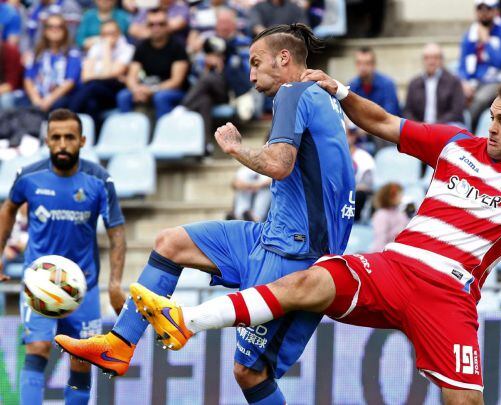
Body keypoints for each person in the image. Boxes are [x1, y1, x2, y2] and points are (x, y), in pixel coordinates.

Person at [130, 75, 501, 405]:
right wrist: (339, 90)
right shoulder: (453, 143)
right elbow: (382, 123)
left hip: (448, 298)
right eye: (491, 117)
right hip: (395, 267)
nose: (492, 128)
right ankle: (186, 320)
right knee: (304, 282)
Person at [56, 24, 355, 405]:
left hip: (295, 254)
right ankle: (118, 345)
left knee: (249, 372)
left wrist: (234, 148)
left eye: (255, 63)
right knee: (171, 243)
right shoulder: (324, 95)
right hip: (272, 234)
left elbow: (280, 165)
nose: (250, 74)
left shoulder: (293, 93)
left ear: (284, 58)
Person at [0, 109, 126, 405]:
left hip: (85, 286)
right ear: (47, 141)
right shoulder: (29, 177)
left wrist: (115, 284)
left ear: (82, 140)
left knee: (81, 358)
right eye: (56, 137)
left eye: (69, 137)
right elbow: (7, 209)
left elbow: (116, 231)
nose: (62, 144)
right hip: (39, 283)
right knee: (38, 347)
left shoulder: (99, 180)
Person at [183, 8, 252, 137]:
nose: (224, 26)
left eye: (227, 22)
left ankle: (183, 107)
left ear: (235, 24)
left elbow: (247, 75)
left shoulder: (244, 43)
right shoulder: (208, 43)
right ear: (216, 25)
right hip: (209, 92)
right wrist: (206, 65)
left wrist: (222, 67)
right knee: (204, 101)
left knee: (209, 78)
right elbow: (194, 74)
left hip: (233, 92)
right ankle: (205, 147)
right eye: (221, 22)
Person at [117, 8, 189, 118]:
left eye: (161, 24)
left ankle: (165, 133)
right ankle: (128, 132)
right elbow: (132, 76)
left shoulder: (177, 46)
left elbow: (176, 82)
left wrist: (151, 90)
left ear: (167, 25)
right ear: (147, 26)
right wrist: (136, 89)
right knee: (123, 96)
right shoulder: (141, 47)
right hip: (147, 88)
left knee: (160, 97)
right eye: (151, 24)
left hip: (174, 91)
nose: (156, 28)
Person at [458, 0, 501, 130]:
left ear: (496, 10)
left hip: (500, 80)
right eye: (480, 9)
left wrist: (486, 41)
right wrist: (464, 82)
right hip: (475, 80)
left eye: (488, 9)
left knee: (479, 99)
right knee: (454, 93)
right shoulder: (470, 34)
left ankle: (466, 132)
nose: (484, 13)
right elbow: (462, 64)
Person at [68, 19, 134, 120]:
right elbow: (85, 77)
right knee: (91, 104)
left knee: (92, 86)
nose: (109, 37)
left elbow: (109, 75)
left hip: (113, 91)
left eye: (112, 33)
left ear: (119, 33)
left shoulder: (128, 49)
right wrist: (104, 75)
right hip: (93, 90)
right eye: (105, 34)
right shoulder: (96, 47)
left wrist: (107, 49)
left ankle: (68, 118)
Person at [23, 14, 81, 113]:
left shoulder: (72, 54)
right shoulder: (36, 53)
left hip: (59, 98)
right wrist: (36, 100)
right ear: (45, 30)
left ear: (65, 31)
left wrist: (48, 100)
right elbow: (28, 79)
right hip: (37, 96)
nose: (55, 30)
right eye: (50, 27)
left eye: (59, 27)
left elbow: (69, 82)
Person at [403, 43, 465, 126]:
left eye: (435, 57)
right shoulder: (414, 83)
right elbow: (408, 111)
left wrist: (434, 126)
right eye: (427, 58)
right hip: (419, 127)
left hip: (446, 126)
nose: (431, 61)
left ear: (442, 60)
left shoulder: (454, 81)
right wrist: (419, 126)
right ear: (423, 60)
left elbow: (456, 112)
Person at [348, 47, 400, 116]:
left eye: (367, 63)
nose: (362, 67)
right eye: (359, 63)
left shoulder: (387, 85)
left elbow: (390, 115)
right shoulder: (352, 86)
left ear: (374, 65)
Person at [347, 121, 375, 221]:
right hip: (333, 198)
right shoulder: (329, 156)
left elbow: (367, 186)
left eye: (351, 133)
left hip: (354, 200)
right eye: (344, 132)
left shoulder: (364, 157)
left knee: (359, 195)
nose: (348, 136)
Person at [370, 182, 410, 252]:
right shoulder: (381, 215)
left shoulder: (401, 214)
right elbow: (380, 239)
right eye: (399, 194)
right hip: (384, 253)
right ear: (391, 196)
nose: (401, 197)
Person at [0, 38, 23, 110]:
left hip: (14, 92)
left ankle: (8, 121)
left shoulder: (10, 51)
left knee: (5, 99)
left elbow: (10, 85)